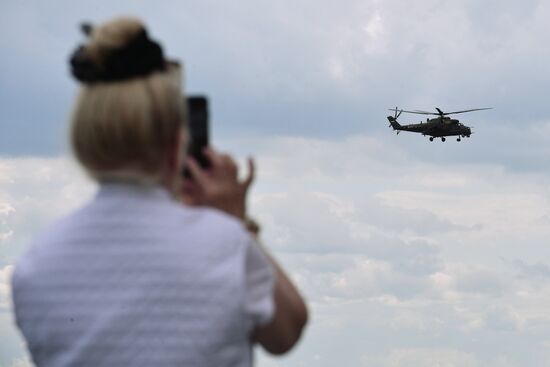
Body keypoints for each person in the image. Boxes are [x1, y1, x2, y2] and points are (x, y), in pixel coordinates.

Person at [11, 17, 307, 367]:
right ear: (175, 144)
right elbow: (287, 331)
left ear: (85, 138)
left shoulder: (35, 264)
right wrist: (239, 221)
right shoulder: (224, 243)